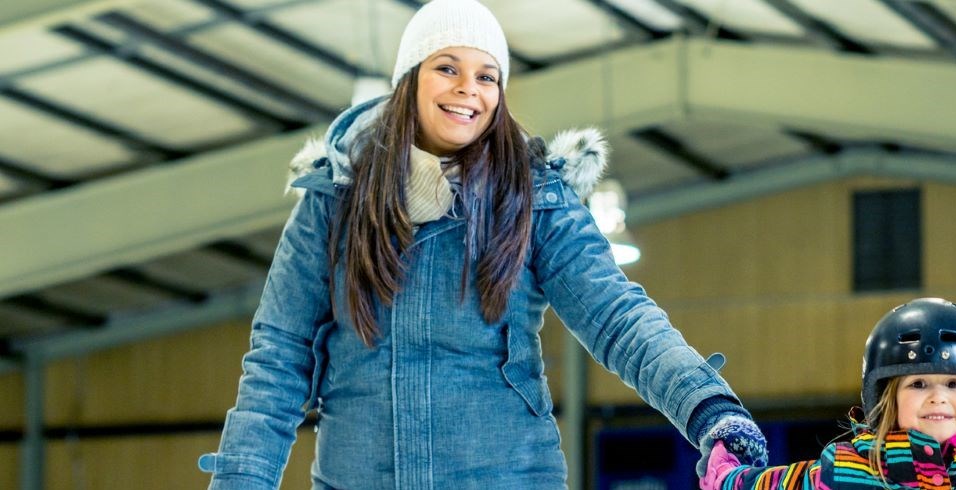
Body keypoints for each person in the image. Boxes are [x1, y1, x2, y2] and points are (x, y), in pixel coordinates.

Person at [198, 1, 765, 487]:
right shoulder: (333, 201)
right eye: (448, 67)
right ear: (410, 80)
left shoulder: (534, 196)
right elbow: (278, 359)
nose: (468, 88)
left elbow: (618, 317)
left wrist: (708, 408)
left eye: (487, 75)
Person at [700, 298, 956, 489]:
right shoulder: (846, 471)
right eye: (919, 384)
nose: (938, 397)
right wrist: (725, 469)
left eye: (954, 384)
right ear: (886, 398)